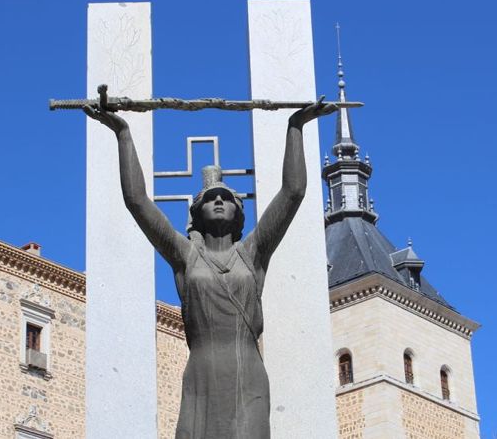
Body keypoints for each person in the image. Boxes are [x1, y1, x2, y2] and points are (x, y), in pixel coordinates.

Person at [83, 96, 337, 438]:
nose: (218, 200)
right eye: (211, 198)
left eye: (226, 197)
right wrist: (123, 134)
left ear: (238, 212)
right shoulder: (185, 256)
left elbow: (293, 193)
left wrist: (296, 126)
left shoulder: (253, 253)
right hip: (201, 376)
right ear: (197, 212)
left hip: (247, 377)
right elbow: (137, 202)